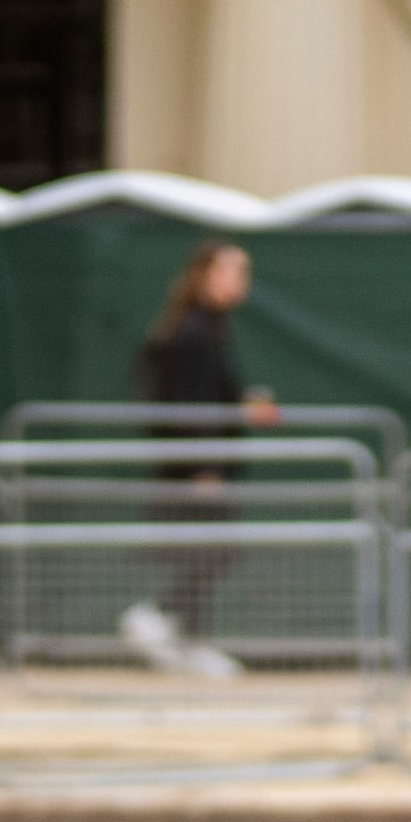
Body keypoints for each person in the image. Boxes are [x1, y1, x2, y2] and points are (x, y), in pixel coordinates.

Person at [120, 241, 277, 676]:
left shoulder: (209, 329)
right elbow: (189, 404)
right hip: (195, 469)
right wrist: (203, 467)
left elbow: (210, 395)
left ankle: (184, 635)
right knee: (210, 551)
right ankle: (157, 619)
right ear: (206, 275)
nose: (240, 282)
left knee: (209, 551)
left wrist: (244, 405)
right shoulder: (192, 332)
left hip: (203, 463)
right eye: (232, 272)